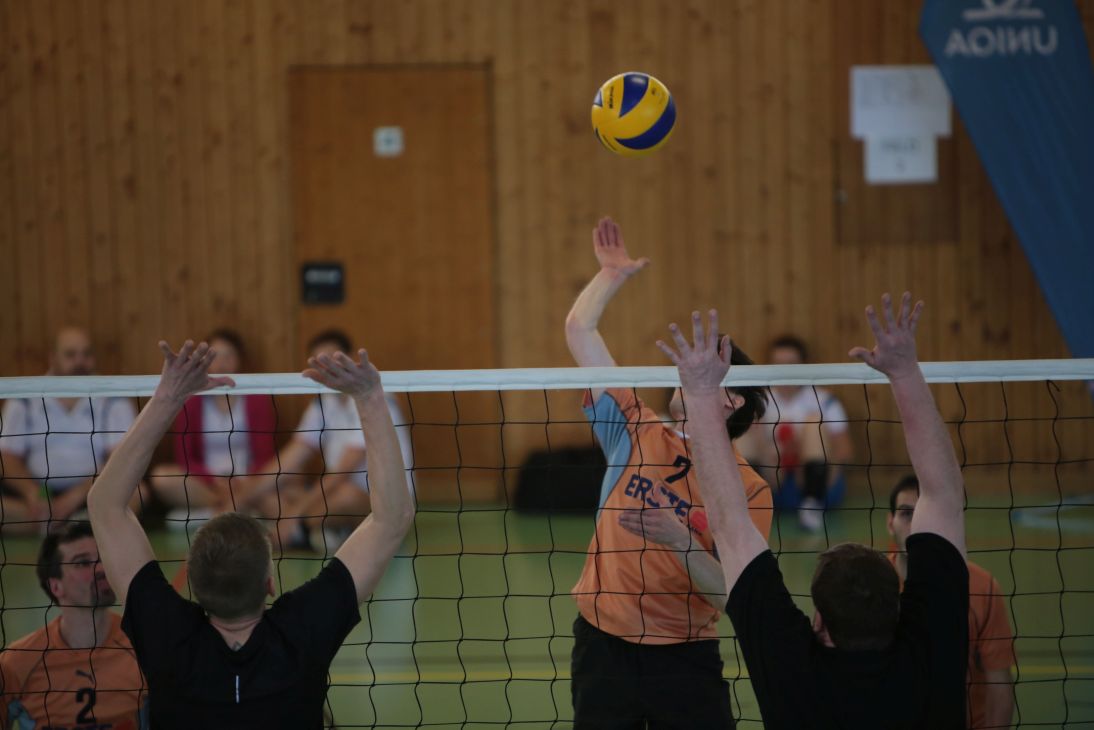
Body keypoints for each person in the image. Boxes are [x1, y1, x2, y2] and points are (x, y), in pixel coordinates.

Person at [656, 293, 968, 729]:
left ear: (819, 623)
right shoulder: (933, 653)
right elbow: (944, 495)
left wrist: (701, 393)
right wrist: (905, 371)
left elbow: (729, 524)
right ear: (897, 608)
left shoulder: (793, 671)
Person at [86, 339, 415, 728]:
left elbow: (105, 505)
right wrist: (371, 397)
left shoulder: (165, 632)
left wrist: (167, 396)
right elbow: (392, 519)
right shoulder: (302, 630)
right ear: (269, 583)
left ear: (193, 584)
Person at [564, 217, 772, 728]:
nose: (686, 373)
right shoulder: (635, 428)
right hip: (603, 647)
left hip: (685, 659)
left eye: (706, 370)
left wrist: (680, 541)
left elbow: (732, 595)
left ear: (732, 400)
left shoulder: (749, 489)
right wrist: (610, 276)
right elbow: (579, 330)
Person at [235, 330, 414, 551]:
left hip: (383, 500)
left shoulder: (372, 399)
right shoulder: (323, 403)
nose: (327, 368)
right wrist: (240, 498)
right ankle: (320, 530)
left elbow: (341, 473)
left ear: (350, 359)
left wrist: (293, 515)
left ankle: (302, 530)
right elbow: (292, 456)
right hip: (334, 493)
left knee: (345, 496)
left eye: (332, 359)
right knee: (272, 494)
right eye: (320, 362)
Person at [888, 475, 1016, 729]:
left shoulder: (981, 587)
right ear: (890, 523)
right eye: (906, 514)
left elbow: (999, 684)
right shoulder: (874, 584)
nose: (916, 526)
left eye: (925, 515)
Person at [0, 522, 147, 729]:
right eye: (83, 563)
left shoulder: (144, 648)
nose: (101, 569)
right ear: (56, 586)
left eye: (103, 558)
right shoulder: (17, 663)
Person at [1, 327, 137, 532]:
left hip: (93, 492)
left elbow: (120, 459)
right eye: (71, 354)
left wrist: (75, 496)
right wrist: (32, 493)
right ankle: (73, 525)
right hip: (37, 496)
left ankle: (62, 523)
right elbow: (7, 456)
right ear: (53, 358)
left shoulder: (113, 398)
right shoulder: (24, 397)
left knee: (137, 493)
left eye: (87, 354)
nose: (80, 362)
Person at [147, 329, 278, 521]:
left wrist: (243, 482)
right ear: (205, 361)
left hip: (248, 481)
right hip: (206, 483)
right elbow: (184, 458)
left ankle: (219, 511)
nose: (222, 363)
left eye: (229, 356)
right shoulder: (191, 400)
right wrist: (214, 481)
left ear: (239, 360)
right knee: (162, 478)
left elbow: (265, 456)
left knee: (285, 483)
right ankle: (232, 508)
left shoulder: (257, 400)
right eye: (215, 356)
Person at [737, 334, 854, 531]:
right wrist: (772, 453)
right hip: (772, 480)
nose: (785, 371)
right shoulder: (759, 401)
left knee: (813, 423)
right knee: (746, 429)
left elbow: (845, 452)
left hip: (817, 484)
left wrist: (803, 457)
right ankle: (749, 506)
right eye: (779, 364)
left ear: (803, 365)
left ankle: (812, 503)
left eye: (791, 364)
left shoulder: (824, 401)